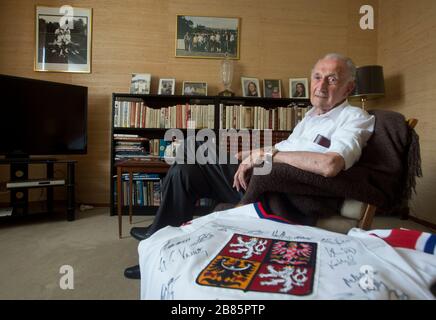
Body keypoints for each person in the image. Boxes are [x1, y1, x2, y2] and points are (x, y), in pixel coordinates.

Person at [124, 53, 375, 279]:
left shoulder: (354, 118)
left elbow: (330, 164)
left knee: (191, 146)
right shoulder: (309, 118)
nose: (320, 86)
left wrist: (270, 154)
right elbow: (285, 147)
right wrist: (250, 155)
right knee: (184, 169)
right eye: (317, 77)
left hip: (277, 189)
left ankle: (155, 233)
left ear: (348, 87)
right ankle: (159, 243)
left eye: (331, 79)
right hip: (262, 175)